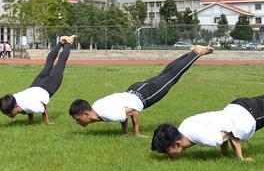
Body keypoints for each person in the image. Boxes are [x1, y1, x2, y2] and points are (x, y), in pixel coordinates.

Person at [69, 45, 213, 136]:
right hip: (134, 89)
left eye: (78, 119)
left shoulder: (106, 114)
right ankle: (190, 53)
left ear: (87, 114)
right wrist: (124, 132)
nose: (77, 122)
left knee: (171, 76)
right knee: (165, 74)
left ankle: (196, 53)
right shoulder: (97, 105)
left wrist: (135, 132)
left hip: (145, 95)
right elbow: (122, 115)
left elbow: (133, 112)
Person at [0, 36, 76, 124]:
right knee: (49, 63)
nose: (9, 115)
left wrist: (47, 121)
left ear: (16, 106)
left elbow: (42, 107)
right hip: (36, 84)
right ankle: (61, 42)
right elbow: (28, 107)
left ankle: (69, 43)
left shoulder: (29, 107)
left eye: (9, 113)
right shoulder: (13, 98)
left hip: (47, 87)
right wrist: (30, 120)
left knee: (60, 64)